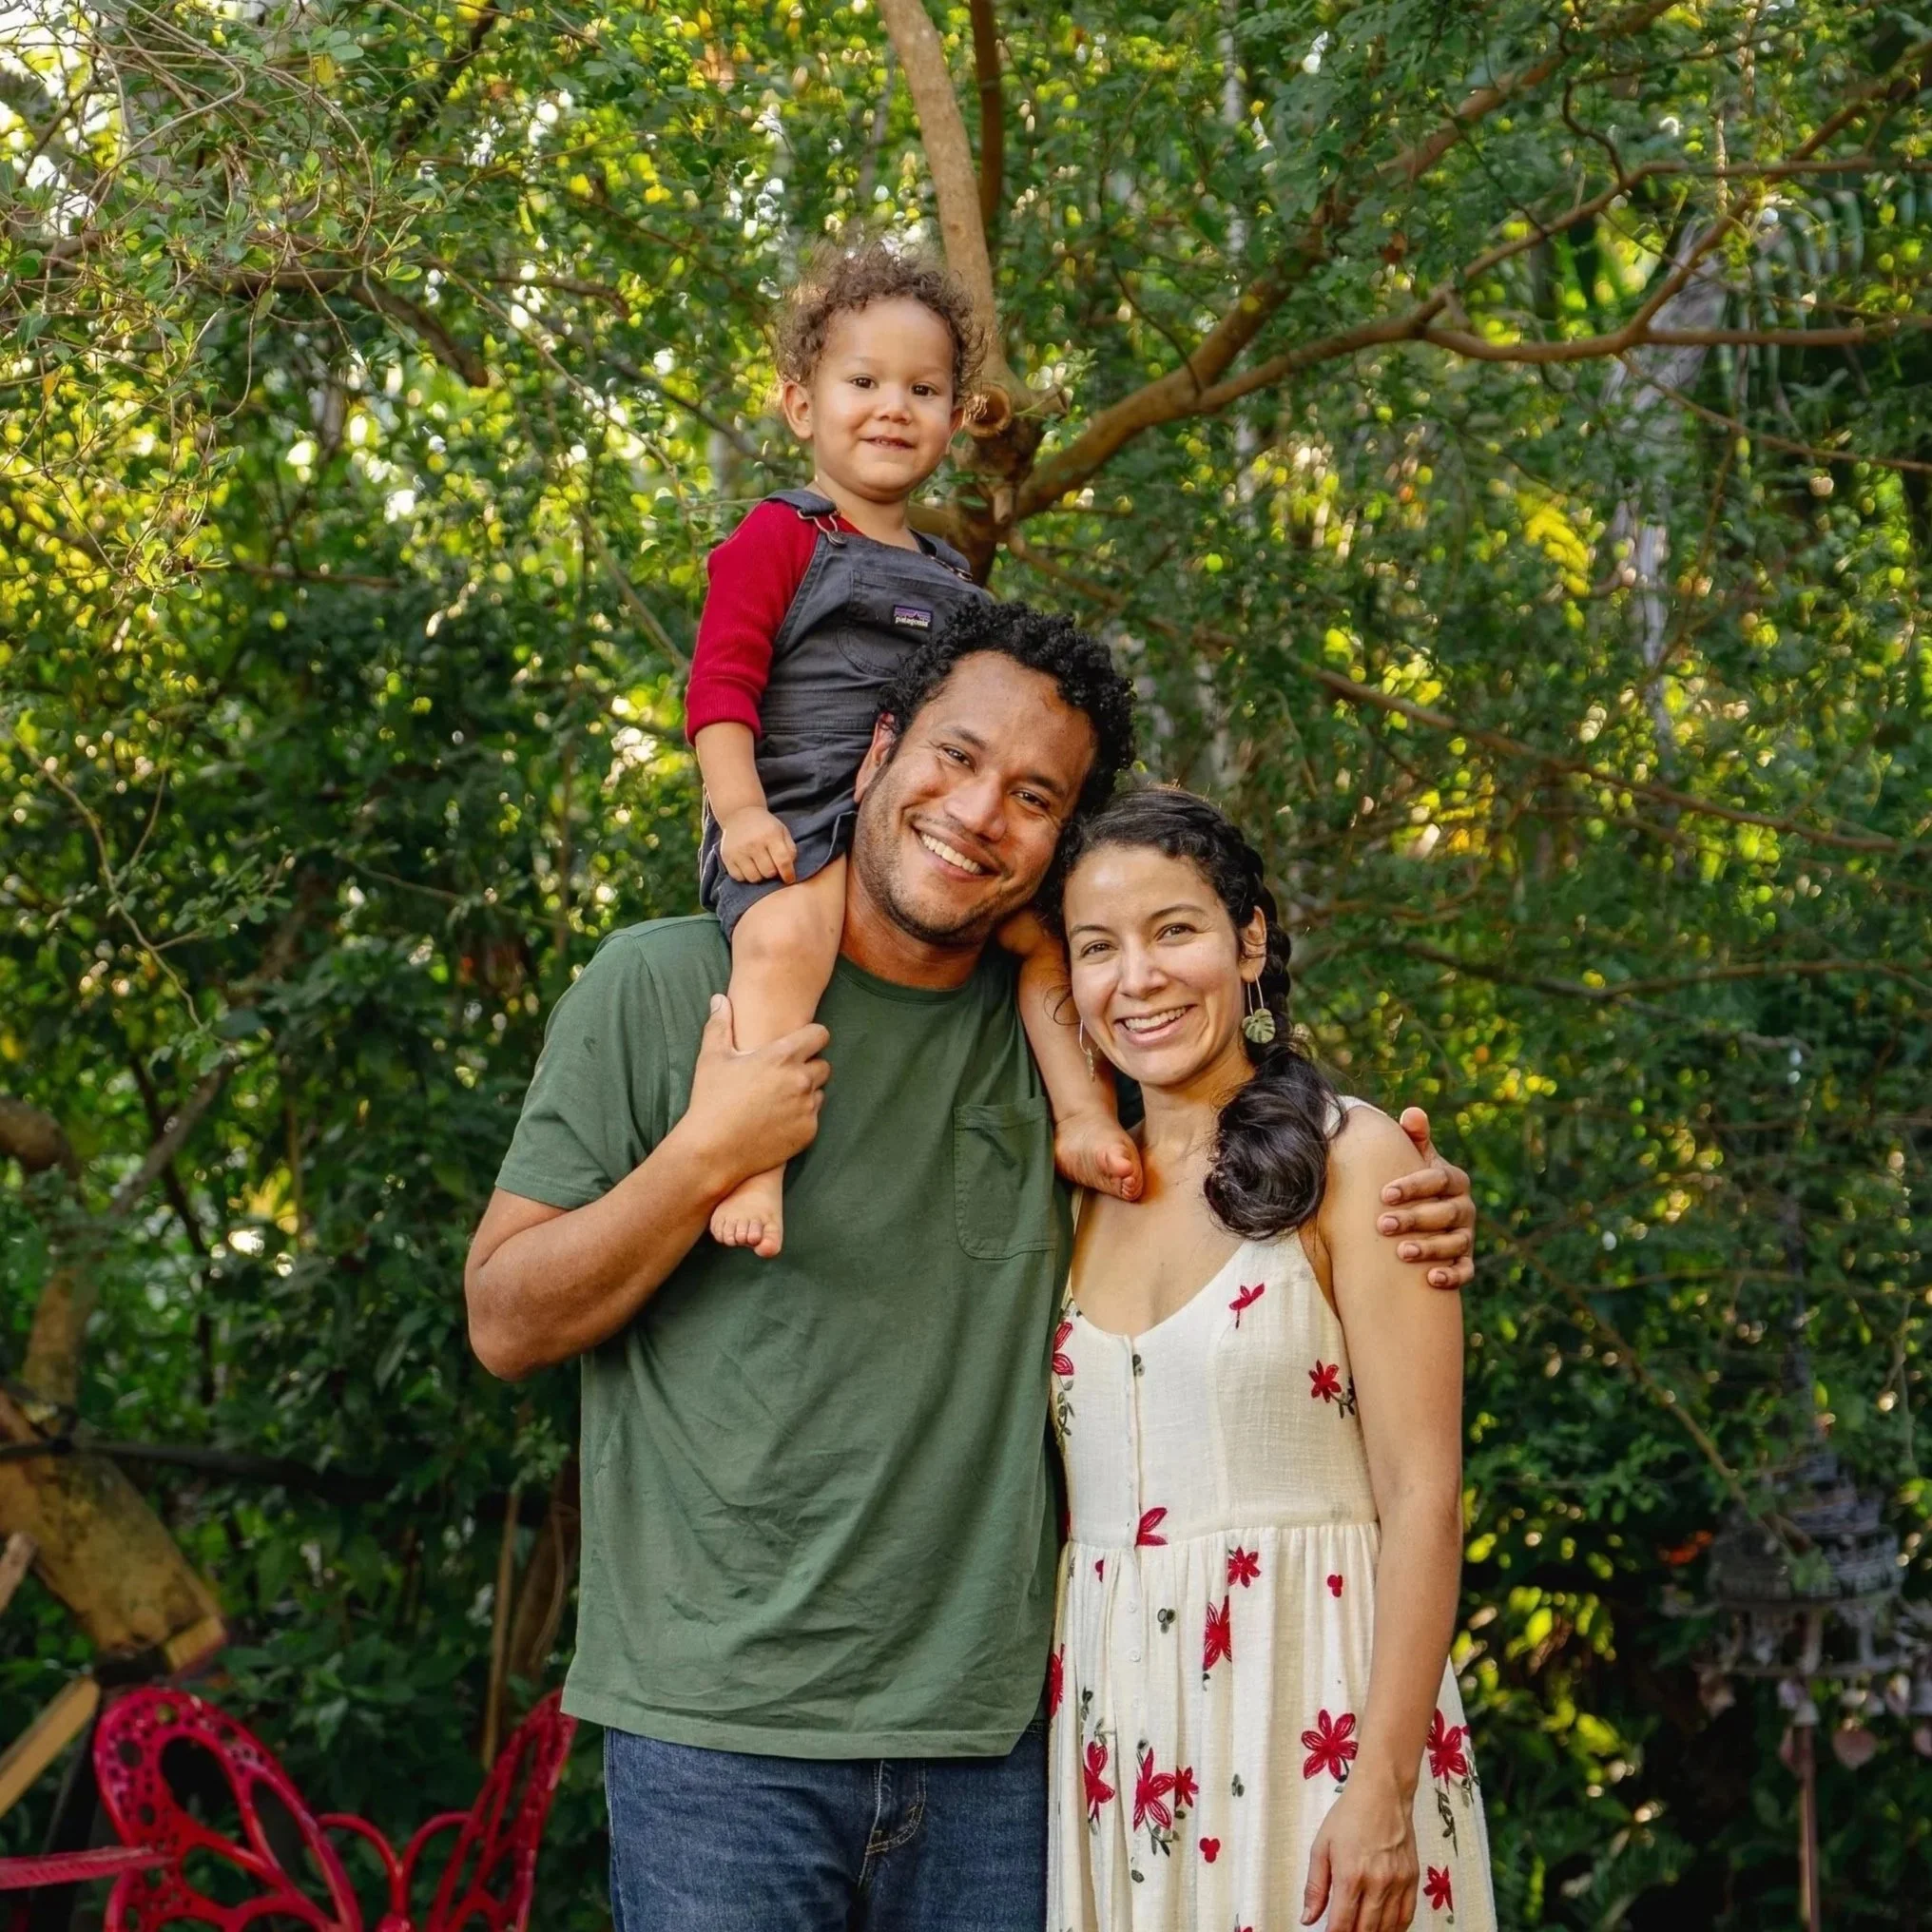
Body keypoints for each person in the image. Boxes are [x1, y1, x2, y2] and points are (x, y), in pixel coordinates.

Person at [464, 605, 1479, 1932]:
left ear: (1059, 845)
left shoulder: (1074, 1053)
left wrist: (1412, 1194)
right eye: (954, 755)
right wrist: (705, 1155)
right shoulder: (666, 989)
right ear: (878, 748)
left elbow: (1242, 1163)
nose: (979, 811)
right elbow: (505, 1321)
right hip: (721, 1744)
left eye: (1035, 797)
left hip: (1009, 1756)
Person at [1042, 787, 1496, 1932]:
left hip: (1317, 1715)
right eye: (1097, 946)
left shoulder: (1355, 1159)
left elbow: (1423, 1493)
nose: (1137, 977)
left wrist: (1382, 1785)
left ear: (1248, 940)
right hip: (1119, 1739)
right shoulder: (1074, 1192)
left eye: (1174, 929)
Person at [685, 237, 1138, 1259]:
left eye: (923, 390)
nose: (893, 407)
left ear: (958, 417)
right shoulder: (778, 537)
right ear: (800, 405)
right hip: (796, 807)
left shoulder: (956, 579)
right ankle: (752, 1156)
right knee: (784, 940)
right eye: (864, 382)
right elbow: (718, 690)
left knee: (1043, 943)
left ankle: (1081, 1113)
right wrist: (741, 810)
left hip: (912, 820)